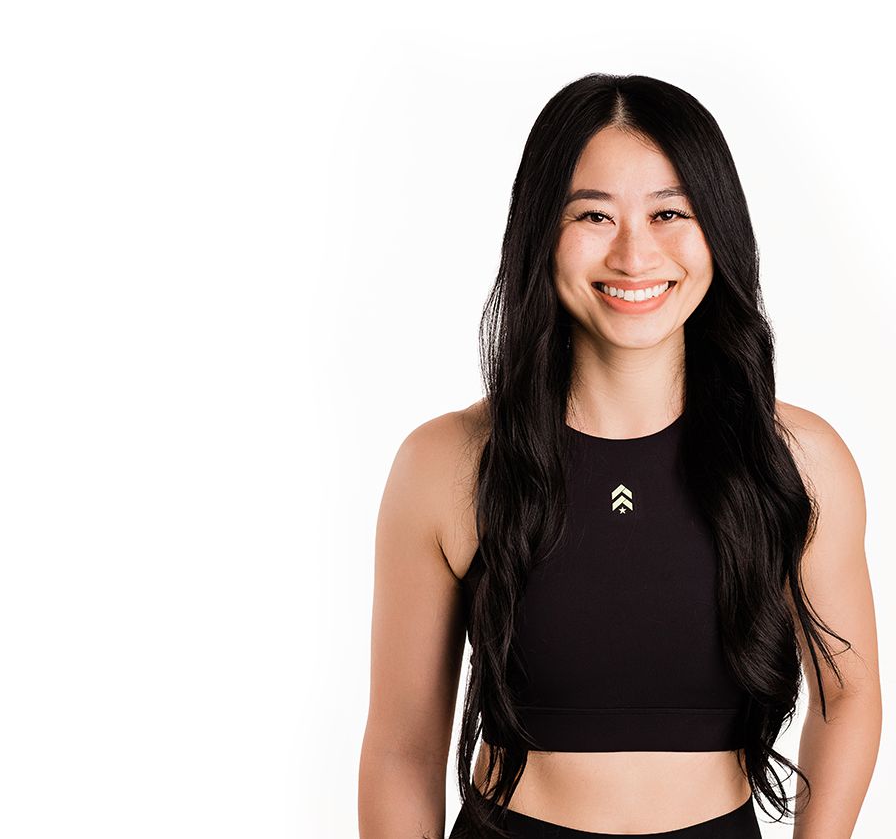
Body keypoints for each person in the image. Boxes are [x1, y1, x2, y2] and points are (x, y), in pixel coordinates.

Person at [357, 74, 881, 839]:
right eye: (594, 215)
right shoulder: (446, 464)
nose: (636, 253)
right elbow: (402, 749)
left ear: (718, 232)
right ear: (542, 231)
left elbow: (852, 698)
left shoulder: (799, 459)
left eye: (670, 212)